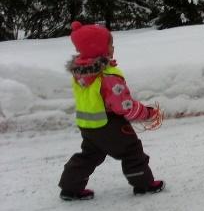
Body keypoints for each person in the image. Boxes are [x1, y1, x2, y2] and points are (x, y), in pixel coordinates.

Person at [58, 21, 164, 201]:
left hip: (89, 125)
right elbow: (123, 105)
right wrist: (146, 113)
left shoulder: (81, 74)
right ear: (99, 49)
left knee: (89, 155)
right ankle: (143, 184)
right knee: (132, 150)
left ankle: (70, 187)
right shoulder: (108, 76)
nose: (113, 47)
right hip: (110, 124)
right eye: (110, 44)